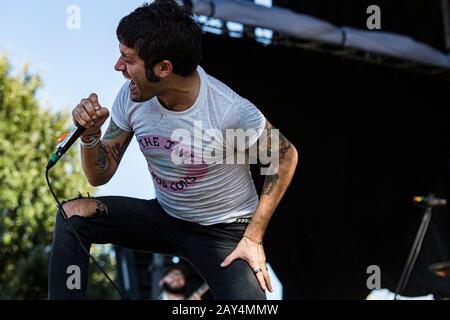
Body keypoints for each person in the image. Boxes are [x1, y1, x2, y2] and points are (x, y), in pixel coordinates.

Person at [48, 0, 298, 300]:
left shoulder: (228, 111)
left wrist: (254, 236)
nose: (118, 67)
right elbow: (99, 175)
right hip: (166, 217)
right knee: (73, 214)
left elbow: (285, 157)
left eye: (128, 59)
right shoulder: (131, 97)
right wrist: (90, 137)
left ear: (164, 68)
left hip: (224, 232)